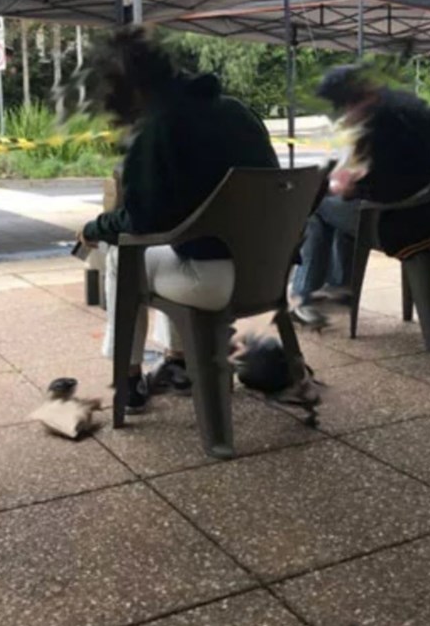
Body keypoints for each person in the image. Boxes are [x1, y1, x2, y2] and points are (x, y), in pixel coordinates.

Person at [78, 27, 279, 411]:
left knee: (124, 254)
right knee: (169, 248)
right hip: (269, 272)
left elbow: (140, 219)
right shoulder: (239, 112)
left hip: (214, 282)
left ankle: (129, 378)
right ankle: (179, 361)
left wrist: (93, 230)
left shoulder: (158, 127)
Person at [292, 63, 430, 326]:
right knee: (340, 213)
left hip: (408, 226)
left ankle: (303, 297)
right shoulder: (426, 115)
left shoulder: (383, 125)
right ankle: (339, 287)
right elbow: (414, 171)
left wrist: (350, 187)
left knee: (319, 208)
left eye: (345, 108)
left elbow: (384, 191)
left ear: (362, 98)